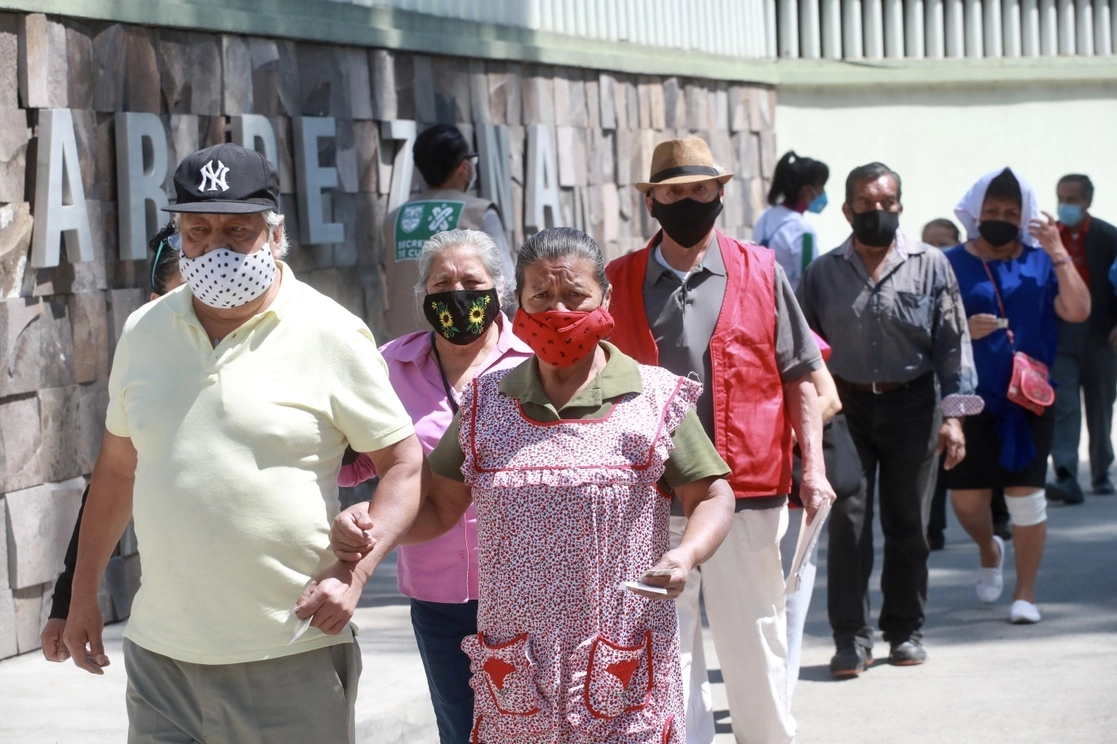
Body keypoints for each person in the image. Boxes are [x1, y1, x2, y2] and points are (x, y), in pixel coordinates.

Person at [61, 143, 425, 744]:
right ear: (177, 235)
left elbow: (403, 462)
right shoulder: (144, 329)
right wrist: (80, 596)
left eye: (238, 229)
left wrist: (355, 575)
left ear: (275, 235)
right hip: (161, 660)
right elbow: (118, 471)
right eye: (197, 230)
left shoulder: (330, 332)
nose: (215, 247)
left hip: (289, 650)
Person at [335, 226, 736, 743]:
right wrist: (367, 528)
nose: (559, 311)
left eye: (575, 296)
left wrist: (686, 555)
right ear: (518, 303)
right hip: (518, 669)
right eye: (541, 296)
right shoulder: (486, 404)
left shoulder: (653, 398)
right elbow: (436, 508)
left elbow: (711, 494)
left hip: (622, 655)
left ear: (605, 298)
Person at [606, 137, 834, 744]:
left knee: (755, 635)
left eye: (699, 191)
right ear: (651, 201)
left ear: (720, 194)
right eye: (673, 192)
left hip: (751, 490)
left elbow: (800, 377)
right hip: (651, 496)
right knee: (665, 651)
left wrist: (813, 467)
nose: (687, 202)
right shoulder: (615, 280)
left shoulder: (762, 269)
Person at [338, 229, 532, 743]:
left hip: (528, 593)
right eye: (442, 282)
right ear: (423, 294)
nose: (458, 293)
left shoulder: (535, 367)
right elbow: (351, 462)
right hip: (439, 596)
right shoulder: (387, 368)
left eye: (472, 281)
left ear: (499, 290)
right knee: (462, 729)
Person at [797, 162, 976, 676]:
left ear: (900, 206)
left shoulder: (932, 265)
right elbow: (803, 351)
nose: (877, 212)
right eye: (866, 204)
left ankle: (904, 631)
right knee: (848, 524)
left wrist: (955, 417)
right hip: (846, 408)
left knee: (908, 524)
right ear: (848, 208)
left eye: (887, 203)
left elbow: (953, 344)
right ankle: (851, 639)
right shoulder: (822, 273)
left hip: (913, 405)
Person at [945, 167, 1090, 624]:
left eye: (1011, 211)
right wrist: (963, 331)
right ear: (974, 212)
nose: (1000, 218)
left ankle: (1025, 594)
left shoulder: (1040, 260)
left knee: (1026, 497)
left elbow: (1078, 310)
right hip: (969, 399)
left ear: (1025, 215)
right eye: (991, 210)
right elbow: (931, 328)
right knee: (967, 501)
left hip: (1031, 399)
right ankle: (990, 548)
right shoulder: (949, 261)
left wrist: (1057, 251)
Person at [40, 221, 184, 662]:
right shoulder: (150, 374)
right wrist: (70, 599)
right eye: (189, 287)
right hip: (171, 632)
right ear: (156, 305)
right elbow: (112, 482)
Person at [919, 218, 1012, 549]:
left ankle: (1000, 518)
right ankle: (933, 529)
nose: (936, 250)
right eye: (929, 243)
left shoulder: (974, 277)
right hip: (933, 383)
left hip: (976, 385)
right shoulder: (922, 278)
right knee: (938, 458)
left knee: (985, 454)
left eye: (943, 242)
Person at [383, 124, 515, 338]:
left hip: (405, 349)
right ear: (464, 167)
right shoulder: (479, 213)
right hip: (468, 347)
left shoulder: (395, 218)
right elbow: (507, 286)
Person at [1047, 174, 1117, 503]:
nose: (1066, 205)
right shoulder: (1050, 238)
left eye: (1072, 199)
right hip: (1061, 336)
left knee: (1101, 406)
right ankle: (1065, 473)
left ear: (1087, 201)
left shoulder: (1108, 236)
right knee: (1065, 406)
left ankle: (1102, 473)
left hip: (1102, 334)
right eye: (1062, 197)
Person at [752, 150, 830, 291]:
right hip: (790, 308)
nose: (823, 193)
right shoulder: (803, 230)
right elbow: (809, 281)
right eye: (821, 187)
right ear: (807, 190)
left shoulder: (765, 217)